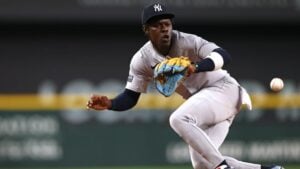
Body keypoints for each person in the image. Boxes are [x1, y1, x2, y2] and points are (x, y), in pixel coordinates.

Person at [87, 3, 284, 169]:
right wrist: (110, 103)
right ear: (146, 30)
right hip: (204, 107)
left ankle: (221, 167)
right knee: (202, 164)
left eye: (167, 24)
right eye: (157, 25)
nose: (165, 28)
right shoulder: (142, 59)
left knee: (179, 119)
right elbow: (130, 97)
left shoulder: (188, 41)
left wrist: (196, 66)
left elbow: (223, 55)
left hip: (224, 90)